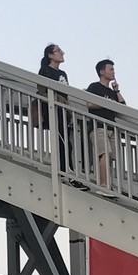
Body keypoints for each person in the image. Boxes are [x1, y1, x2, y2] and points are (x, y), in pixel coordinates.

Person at [37, 44, 85, 188]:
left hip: (64, 112)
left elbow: (66, 94)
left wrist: (69, 111)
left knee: (67, 143)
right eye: (58, 51)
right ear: (50, 55)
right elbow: (42, 90)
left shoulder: (63, 73)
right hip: (52, 110)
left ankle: (68, 171)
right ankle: (66, 173)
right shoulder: (45, 70)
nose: (62, 53)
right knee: (63, 143)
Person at [85, 59, 125, 197]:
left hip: (111, 127)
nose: (113, 72)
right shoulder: (94, 87)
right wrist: (105, 103)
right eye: (111, 69)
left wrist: (117, 90)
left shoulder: (112, 92)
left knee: (111, 156)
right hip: (98, 125)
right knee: (105, 154)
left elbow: (123, 106)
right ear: (102, 71)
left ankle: (108, 184)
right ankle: (103, 185)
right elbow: (89, 104)